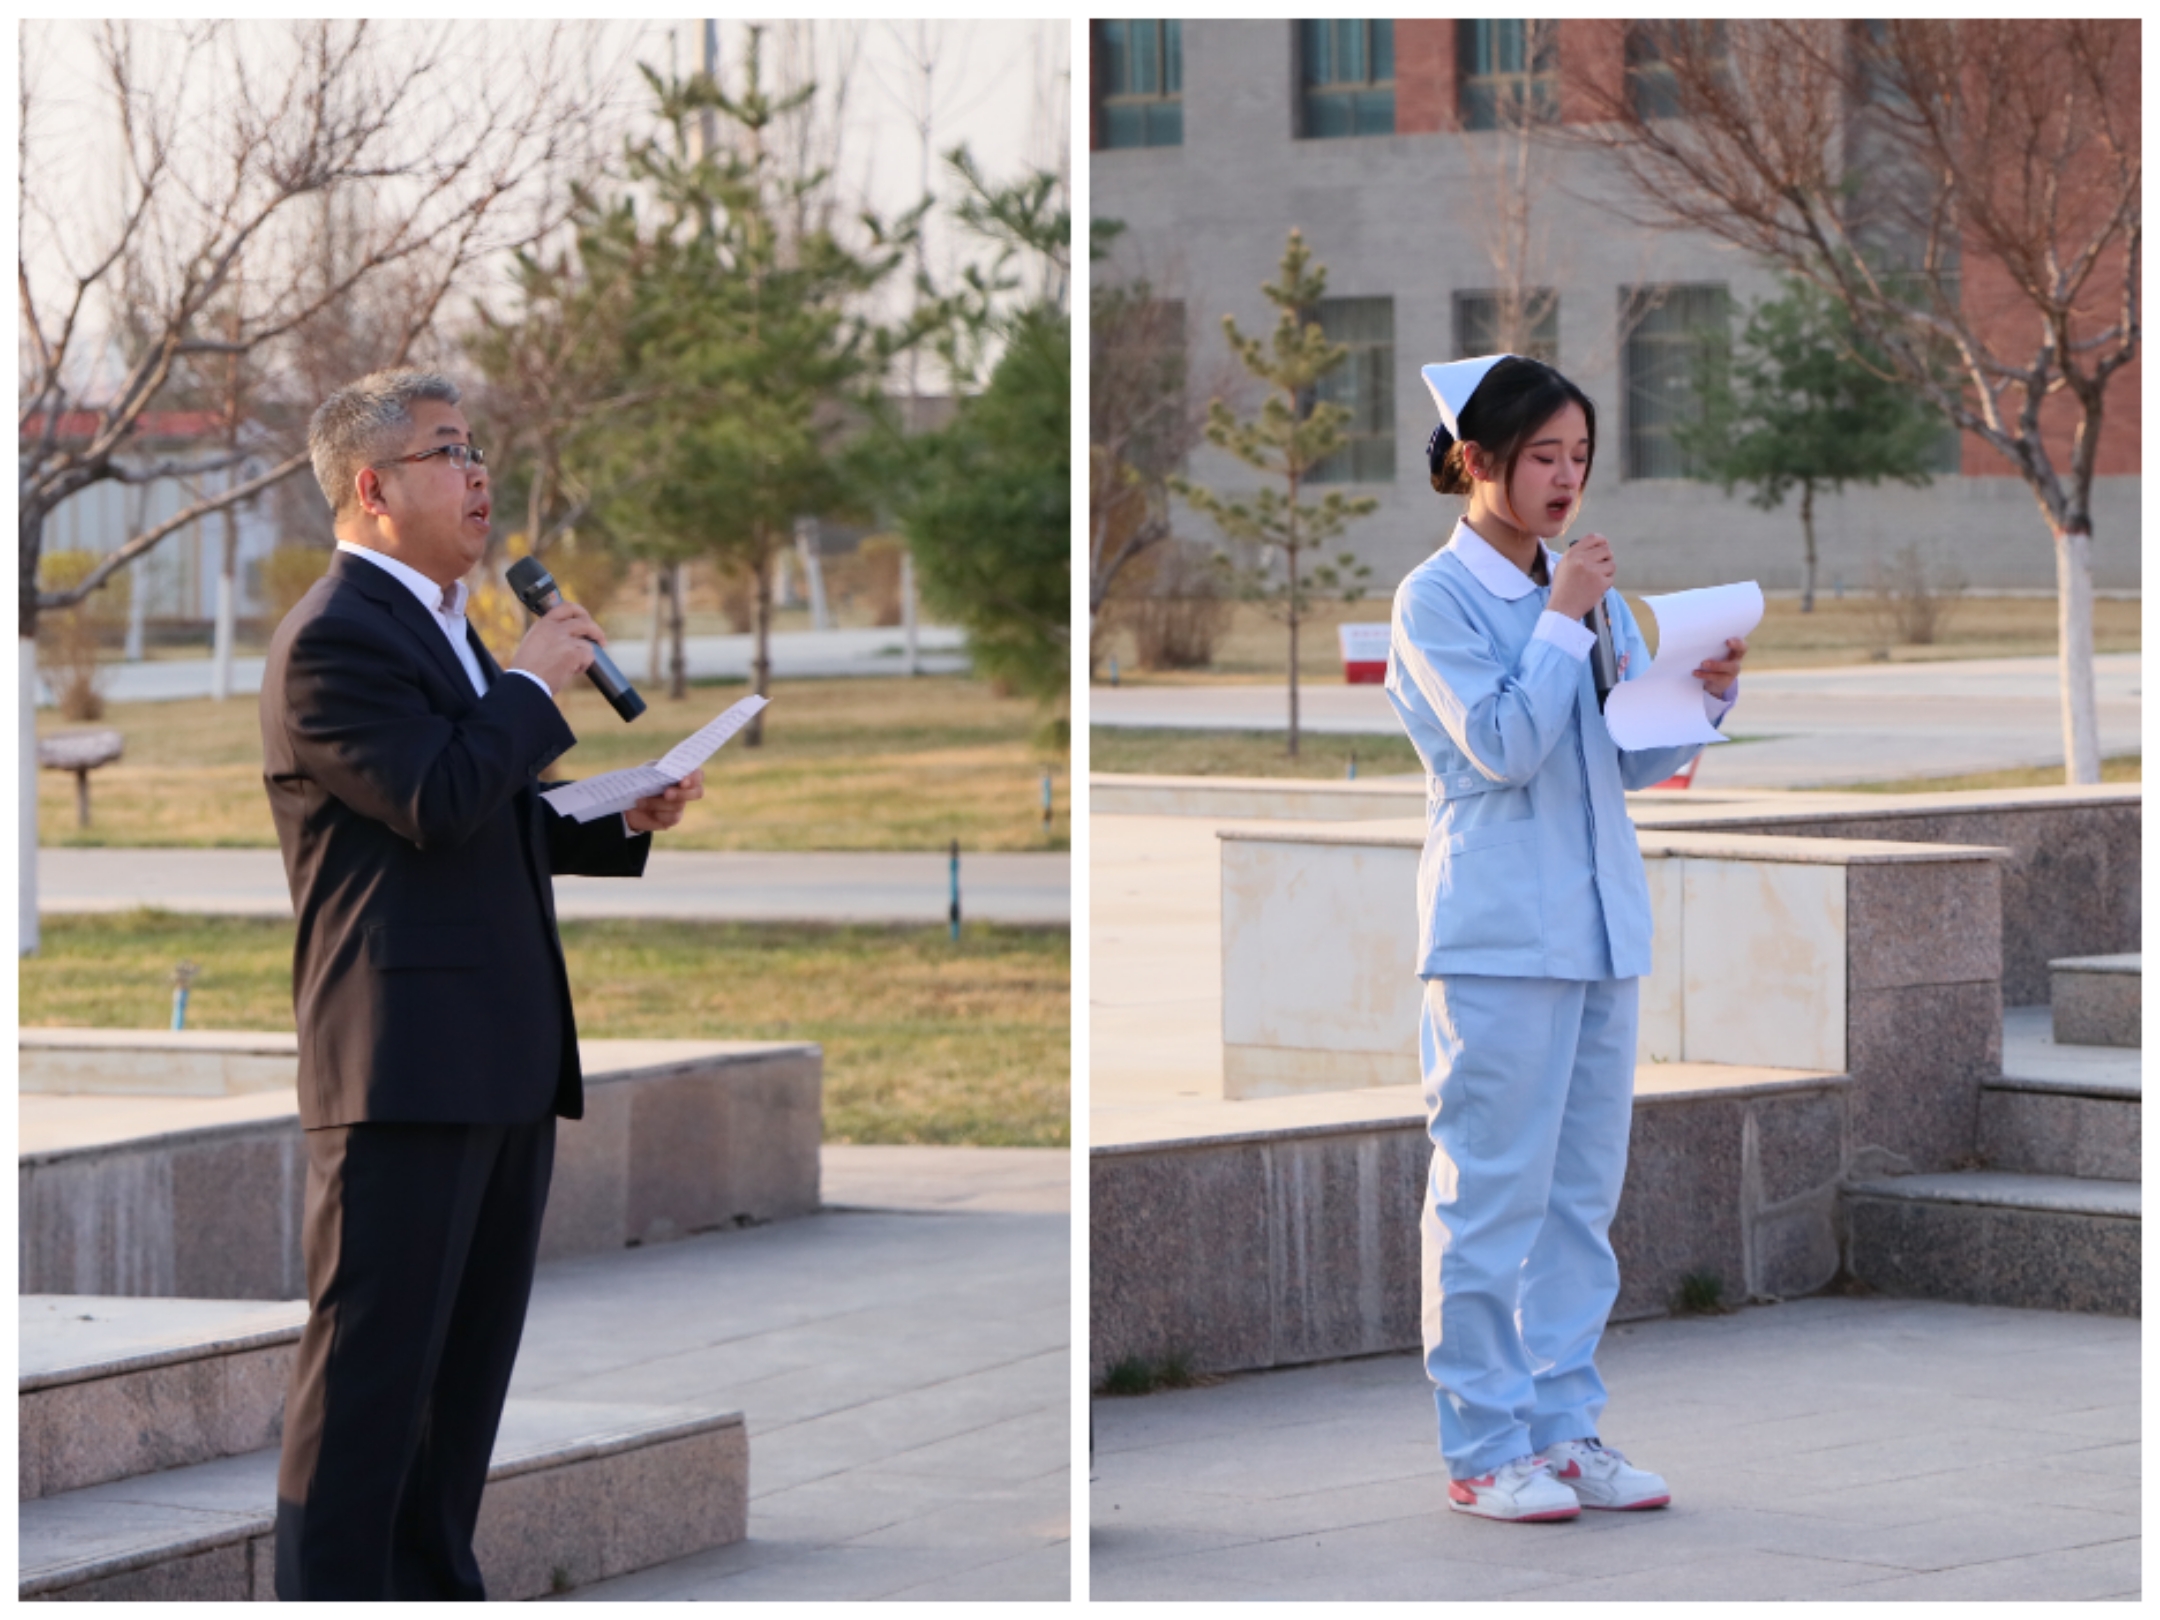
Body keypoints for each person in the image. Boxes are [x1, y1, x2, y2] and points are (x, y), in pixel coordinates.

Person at [261, 368, 704, 1598]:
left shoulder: (443, 625)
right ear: (372, 487)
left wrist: (620, 811)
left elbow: (491, 805)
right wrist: (528, 684)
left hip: (496, 1056)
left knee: (457, 1395)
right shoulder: (334, 637)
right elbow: (431, 796)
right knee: (368, 1389)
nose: (477, 474)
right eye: (448, 452)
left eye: (475, 450)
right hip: (401, 1067)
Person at [1385, 354, 1747, 1524]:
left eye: (1580, 455)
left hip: (1598, 931)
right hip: (1496, 936)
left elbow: (1628, 756)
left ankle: (1563, 1429)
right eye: (1543, 455)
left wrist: (1703, 690)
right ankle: (1485, 1448)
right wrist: (1559, 621)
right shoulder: (1436, 601)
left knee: (1579, 1202)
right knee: (1488, 1200)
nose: (1566, 477)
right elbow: (1502, 746)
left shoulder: (1581, 594)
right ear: (1476, 461)